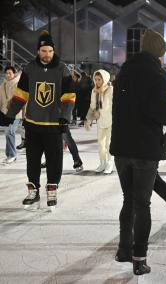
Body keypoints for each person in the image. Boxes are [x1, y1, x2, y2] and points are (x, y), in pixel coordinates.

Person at [110, 28, 166, 275]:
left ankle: (123, 250)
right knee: (142, 205)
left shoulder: (124, 72)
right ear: (160, 53)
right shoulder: (157, 75)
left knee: (128, 201)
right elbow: (161, 114)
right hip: (144, 150)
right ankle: (139, 258)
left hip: (121, 149)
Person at [3, 30, 76, 210]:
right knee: (32, 160)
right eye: (44, 51)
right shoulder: (30, 68)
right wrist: (10, 114)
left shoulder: (63, 69)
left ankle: (52, 190)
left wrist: (65, 117)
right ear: (38, 51)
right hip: (33, 124)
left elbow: (69, 96)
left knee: (54, 160)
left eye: (50, 51)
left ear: (53, 51)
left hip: (53, 125)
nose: (47, 54)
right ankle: (33, 191)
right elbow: (21, 94)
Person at [85, 69, 114, 174]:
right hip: (100, 120)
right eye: (95, 79)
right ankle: (102, 162)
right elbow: (92, 106)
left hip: (111, 120)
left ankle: (110, 163)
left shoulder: (110, 89)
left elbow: (110, 105)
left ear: (104, 79)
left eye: (99, 79)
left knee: (109, 143)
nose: (97, 82)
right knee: (100, 143)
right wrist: (88, 119)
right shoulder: (94, 91)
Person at [0, 66, 22, 164]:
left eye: (10, 73)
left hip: (16, 113)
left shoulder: (18, 84)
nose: (8, 75)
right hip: (5, 112)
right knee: (7, 133)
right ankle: (9, 154)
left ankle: (12, 155)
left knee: (10, 132)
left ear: (14, 74)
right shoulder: (3, 85)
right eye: (6, 73)